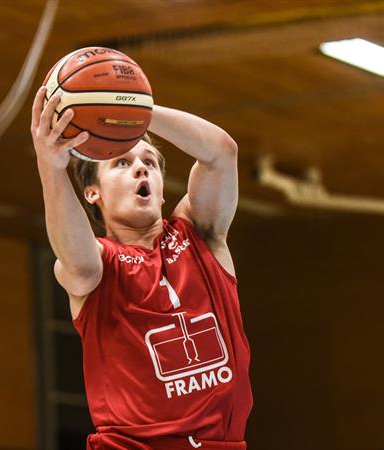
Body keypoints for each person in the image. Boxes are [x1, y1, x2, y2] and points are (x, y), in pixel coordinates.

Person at [31, 85, 252, 450]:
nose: (140, 169)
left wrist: (137, 111)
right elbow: (75, 257)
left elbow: (221, 153)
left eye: (148, 162)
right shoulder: (98, 265)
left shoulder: (201, 233)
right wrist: (51, 166)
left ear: (163, 190)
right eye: (122, 163)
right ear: (93, 193)